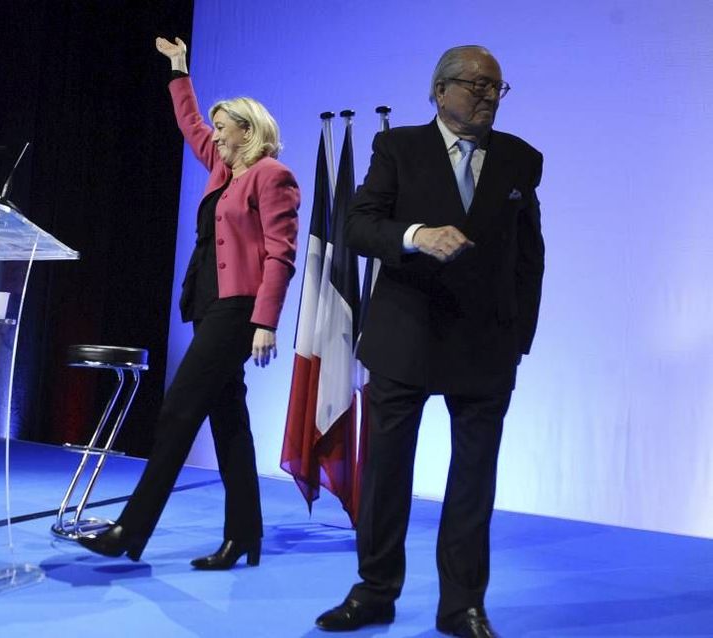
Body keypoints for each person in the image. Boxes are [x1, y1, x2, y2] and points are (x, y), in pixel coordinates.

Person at [315, 45, 544, 637]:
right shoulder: (398, 148)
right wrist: (416, 235)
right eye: (476, 85)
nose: (489, 96)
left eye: (497, 87)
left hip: (486, 347)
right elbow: (357, 225)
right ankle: (374, 593)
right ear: (440, 91)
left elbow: (529, 255)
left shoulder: (522, 158)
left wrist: (520, 335)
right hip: (405, 340)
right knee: (387, 475)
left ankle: (463, 606)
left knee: (474, 481)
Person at [77, 36, 300, 570]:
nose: (216, 137)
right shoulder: (224, 171)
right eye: (217, 130)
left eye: (225, 130)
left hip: (238, 309)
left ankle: (131, 529)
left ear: (248, 131)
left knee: (178, 410)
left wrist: (264, 322)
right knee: (229, 421)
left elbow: (281, 254)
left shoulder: (272, 176)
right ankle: (244, 533)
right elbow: (191, 125)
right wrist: (179, 70)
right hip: (208, 307)